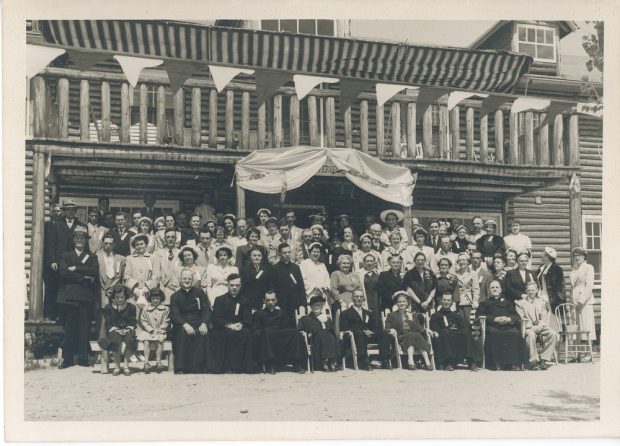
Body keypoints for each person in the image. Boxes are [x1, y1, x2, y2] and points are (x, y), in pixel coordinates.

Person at [57, 226, 99, 369]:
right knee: (69, 328)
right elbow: (63, 273)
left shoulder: (92, 256)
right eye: (77, 238)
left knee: (84, 329)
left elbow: (94, 271)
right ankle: (67, 359)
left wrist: (76, 268)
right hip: (70, 297)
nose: (80, 240)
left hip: (86, 298)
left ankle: (82, 358)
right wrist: (84, 278)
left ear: (86, 241)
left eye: (83, 238)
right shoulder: (66, 255)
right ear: (73, 239)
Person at [476, 280, 527, 370]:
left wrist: (509, 319)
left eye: (497, 287)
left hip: (507, 325)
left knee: (515, 333)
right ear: (489, 290)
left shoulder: (508, 303)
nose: (494, 289)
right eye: (492, 288)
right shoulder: (484, 303)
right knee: (494, 333)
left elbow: (516, 315)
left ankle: (514, 363)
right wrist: (494, 319)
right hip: (492, 326)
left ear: (500, 290)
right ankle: (497, 363)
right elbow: (480, 315)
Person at [252, 290, 307, 373]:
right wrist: (261, 332)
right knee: (267, 332)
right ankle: (270, 363)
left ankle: (296, 363)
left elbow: (287, 327)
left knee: (294, 332)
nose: (270, 302)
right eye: (268, 300)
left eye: (273, 300)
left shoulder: (281, 313)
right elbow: (255, 330)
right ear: (264, 301)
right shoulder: (259, 314)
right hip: (267, 338)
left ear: (276, 300)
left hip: (280, 337)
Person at [210, 274, 255, 373]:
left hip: (239, 326)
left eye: (237, 285)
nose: (234, 288)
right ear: (228, 285)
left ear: (240, 286)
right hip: (223, 327)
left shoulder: (245, 300)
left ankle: (244, 367)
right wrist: (229, 325)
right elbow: (216, 318)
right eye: (232, 285)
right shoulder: (220, 299)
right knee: (227, 334)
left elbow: (248, 317)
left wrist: (241, 324)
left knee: (247, 333)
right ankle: (227, 367)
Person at [170, 269, 211, 374]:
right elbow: (175, 315)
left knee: (203, 333)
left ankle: (200, 367)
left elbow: (206, 310)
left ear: (193, 280)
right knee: (183, 334)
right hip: (182, 324)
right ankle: (182, 368)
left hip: (198, 321)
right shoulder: (175, 296)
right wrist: (185, 325)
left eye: (189, 278)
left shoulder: (199, 292)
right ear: (180, 279)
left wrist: (204, 323)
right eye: (184, 278)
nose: (187, 280)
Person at [46, 199, 82, 320]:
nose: (70, 212)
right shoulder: (57, 225)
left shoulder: (81, 225)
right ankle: (55, 315)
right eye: (68, 210)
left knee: (72, 289)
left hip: (74, 263)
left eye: (73, 210)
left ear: (75, 211)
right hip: (59, 263)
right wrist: (52, 261)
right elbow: (51, 244)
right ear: (64, 211)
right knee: (57, 288)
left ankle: (71, 316)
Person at [429, 293, 481, 371]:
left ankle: (472, 362)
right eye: (444, 300)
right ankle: (447, 363)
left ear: (452, 302)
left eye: (448, 300)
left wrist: (454, 329)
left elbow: (463, 327)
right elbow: (435, 328)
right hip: (444, 336)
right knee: (445, 333)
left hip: (455, 336)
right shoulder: (435, 316)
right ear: (441, 301)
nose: (446, 302)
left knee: (467, 333)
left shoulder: (456, 315)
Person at [384, 292, 433, 371]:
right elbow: (387, 328)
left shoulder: (412, 315)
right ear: (396, 303)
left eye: (404, 301)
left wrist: (425, 329)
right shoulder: (391, 315)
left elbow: (418, 329)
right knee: (412, 335)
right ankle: (412, 360)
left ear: (407, 303)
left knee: (415, 335)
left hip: (413, 337)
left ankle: (425, 361)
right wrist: (391, 330)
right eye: (399, 302)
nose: (402, 303)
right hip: (400, 338)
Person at [339, 290, 385, 371]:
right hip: (353, 337)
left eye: (361, 297)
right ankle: (363, 362)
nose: (359, 299)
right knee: (360, 334)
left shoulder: (368, 313)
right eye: (356, 296)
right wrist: (362, 331)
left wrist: (372, 332)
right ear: (352, 298)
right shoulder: (345, 313)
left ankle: (384, 360)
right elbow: (344, 328)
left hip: (368, 336)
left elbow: (375, 327)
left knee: (384, 333)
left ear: (364, 298)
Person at [516, 282, 557, 370]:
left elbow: (544, 317)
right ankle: (533, 362)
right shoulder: (520, 303)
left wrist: (539, 326)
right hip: (527, 328)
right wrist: (531, 327)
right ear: (526, 291)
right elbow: (521, 318)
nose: (531, 292)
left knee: (553, 333)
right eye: (529, 290)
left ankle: (544, 359)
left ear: (537, 291)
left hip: (539, 327)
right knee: (531, 334)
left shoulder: (541, 303)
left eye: (533, 290)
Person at [98, 283, 137, 376]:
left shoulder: (131, 307)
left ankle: (126, 366)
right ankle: (117, 366)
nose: (120, 299)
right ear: (114, 297)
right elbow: (108, 323)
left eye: (122, 297)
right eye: (117, 297)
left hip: (127, 330)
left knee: (130, 340)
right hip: (114, 330)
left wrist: (128, 329)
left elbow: (133, 321)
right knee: (115, 340)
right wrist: (116, 329)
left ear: (125, 296)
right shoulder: (108, 307)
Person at [297, 294, 339, 372]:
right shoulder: (305, 319)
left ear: (322, 306)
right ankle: (327, 362)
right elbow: (299, 331)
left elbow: (332, 332)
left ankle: (329, 361)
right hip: (315, 343)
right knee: (323, 335)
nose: (316, 307)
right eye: (314, 305)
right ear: (311, 307)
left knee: (330, 335)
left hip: (328, 342)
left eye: (318, 305)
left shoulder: (327, 319)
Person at [96, 233, 126, 338]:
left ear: (114, 245)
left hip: (115, 294)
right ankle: (101, 345)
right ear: (102, 244)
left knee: (115, 319)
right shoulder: (96, 257)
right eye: (106, 243)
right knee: (102, 320)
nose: (108, 245)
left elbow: (123, 278)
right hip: (100, 292)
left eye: (110, 243)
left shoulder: (121, 259)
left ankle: (114, 346)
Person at [271, 243, 307, 327]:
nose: (287, 255)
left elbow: (301, 287)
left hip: (295, 305)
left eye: (288, 252)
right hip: (281, 305)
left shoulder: (295, 268)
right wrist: (275, 304)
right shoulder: (275, 269)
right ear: (279, 254)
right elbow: (273, 288)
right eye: (284, 253)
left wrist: (302, 304)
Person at [136, 287, 170, 373]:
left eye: (157, 298)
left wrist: (161, 329)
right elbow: (143, 321)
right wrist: (150, 330)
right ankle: (146, 362)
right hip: (149, 331)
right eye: (153, 298)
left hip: (160, 331)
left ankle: (158, 362)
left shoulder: (166, 309)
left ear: (161, 298)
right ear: (150, 299)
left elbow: (167, 320)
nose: (155, 300)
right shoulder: (145, 309)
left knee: (159, 340)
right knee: (146, 341)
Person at [570, 247, 597, 345]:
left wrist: (581, 302)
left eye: (579, 256)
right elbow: (573, 287)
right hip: (574, 302)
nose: (577, 258)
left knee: (586, 326)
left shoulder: (589, 267)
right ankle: (578, 354)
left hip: (584, 302)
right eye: (575, 256)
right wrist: (572, 301)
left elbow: (589, 286)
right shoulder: (574, 269)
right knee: (576, 327)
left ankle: (587, 353)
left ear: (584, 257)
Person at [152, 229, 181, 305]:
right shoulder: (158, 254)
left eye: (172, 237)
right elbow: (155, 274)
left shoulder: (180, 253)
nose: (170, 239)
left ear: (176, 239)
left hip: (176, 291)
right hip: (163, 291)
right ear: (165, 239)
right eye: (168, 237)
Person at [240, 246, 273, 311]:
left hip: (264, 302)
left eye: (259, 255)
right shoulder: (244, 270)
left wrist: (267, 301)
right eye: (254, 255)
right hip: (249, 302)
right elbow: (242, 287)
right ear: (250, 257)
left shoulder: (268, 269)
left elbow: (271, 286)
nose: (257, 257)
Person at [536, 247, 566, 313]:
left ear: (547, 257)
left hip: (551, 301)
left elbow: (560, 288)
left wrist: (558, 303)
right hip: (540, 298)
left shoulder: (557, 269)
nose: (541, 255)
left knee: (551, 321)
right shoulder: (540, 269)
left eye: (543, 254)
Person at [454, 252, 480, 327]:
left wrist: (475, 301)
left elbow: (476, 289)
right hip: (457, 302)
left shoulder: (473, 273)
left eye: (464, 260)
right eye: (460, 260)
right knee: (458, 324)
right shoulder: (455, 274)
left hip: (468, 302)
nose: (462, 262)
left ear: (468, 261)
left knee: (468, 323)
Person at [358, 253, 380, 317]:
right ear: (364, 263)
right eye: (367, 261)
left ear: (375, 263)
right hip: (365, 298)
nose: (369, 263)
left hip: (376, 299)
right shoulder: (359, 274)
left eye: (371, 261)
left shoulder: (379, 273)